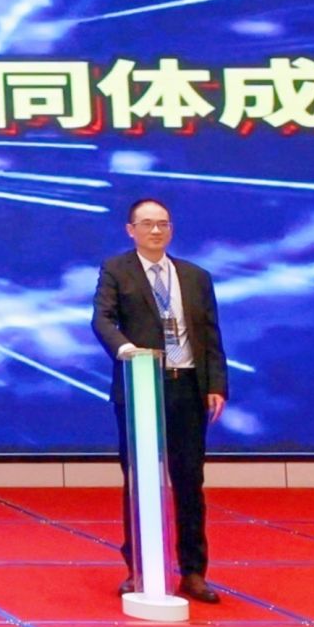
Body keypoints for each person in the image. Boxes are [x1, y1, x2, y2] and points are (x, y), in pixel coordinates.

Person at [92, 197, 229, 604]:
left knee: (190, 481)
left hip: (187, 387)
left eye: (163, 224)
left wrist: (217, 384)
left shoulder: (195, 276)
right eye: (147, 224)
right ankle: (139, 569)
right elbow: (102, 319)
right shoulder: (116, 270)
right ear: (130, 230)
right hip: (141, 385)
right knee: (140, 481)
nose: (156, 230)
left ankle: (193, 571)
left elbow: (211, 335)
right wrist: (127, 351)